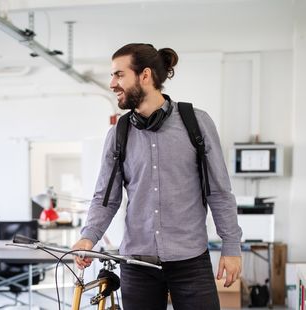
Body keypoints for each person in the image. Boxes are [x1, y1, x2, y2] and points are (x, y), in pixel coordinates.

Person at [72, 43, 242, 310]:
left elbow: (219, 192)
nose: (112, 83)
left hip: (191, 261)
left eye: (119, 74)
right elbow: (106, 197)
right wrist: (88, 236)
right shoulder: (118, 133)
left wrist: (231, 247)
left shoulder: (196, 123)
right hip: (137, 265)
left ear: (145, 76)